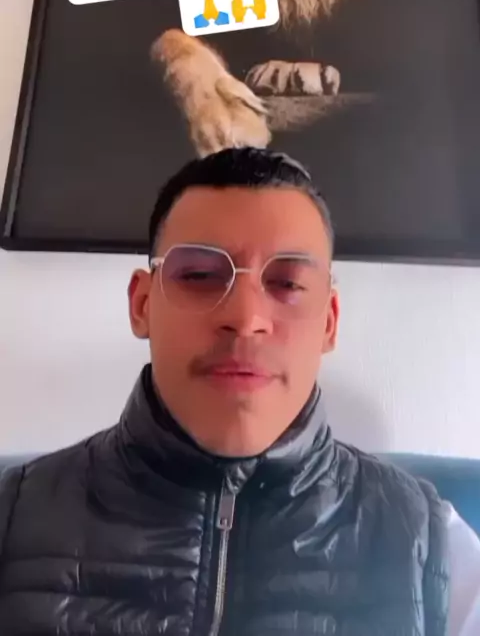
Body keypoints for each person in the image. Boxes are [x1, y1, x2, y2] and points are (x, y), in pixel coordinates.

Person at [0, 147, 479, 635]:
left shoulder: (436, 552)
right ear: (142, 304)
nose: (246, 318)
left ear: (329, 322)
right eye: (199, 276)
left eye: (287, 282)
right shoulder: (12, 517)